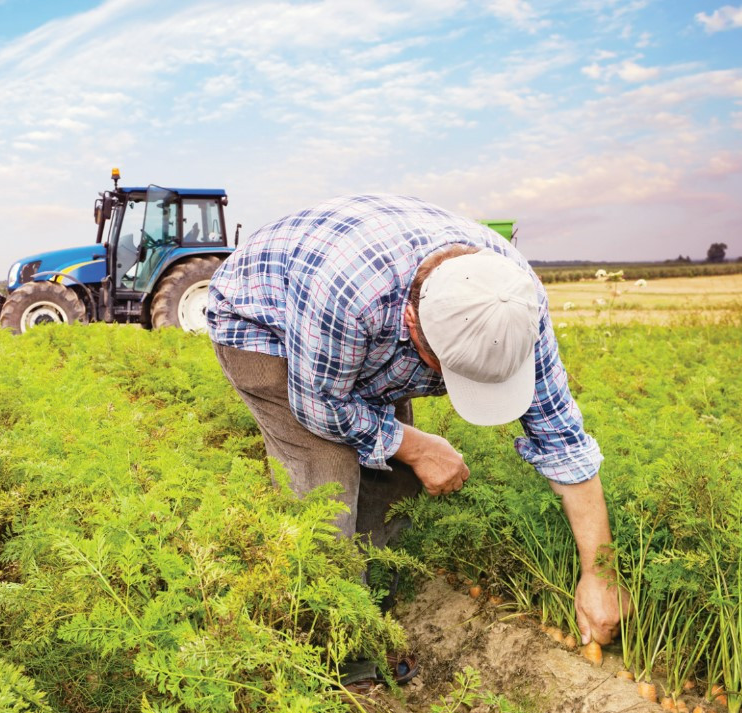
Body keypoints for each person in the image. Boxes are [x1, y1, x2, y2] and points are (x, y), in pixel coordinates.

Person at [206, 193, 625, 647]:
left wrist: (600, 573)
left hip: (358, 323)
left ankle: (376, 605)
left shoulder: (514, 302)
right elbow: (321, 406)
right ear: (411, 321)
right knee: (326, 488)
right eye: (449, 370)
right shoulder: (349, 295)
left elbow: (562, 439)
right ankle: (336, 647)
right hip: (265, 322)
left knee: (395, 480)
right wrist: (419, 446)